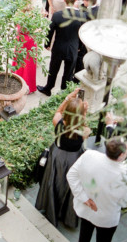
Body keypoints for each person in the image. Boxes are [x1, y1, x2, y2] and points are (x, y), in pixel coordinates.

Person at [67, 137, 127, 242]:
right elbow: (126, 202)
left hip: (87, 209)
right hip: (106, 215)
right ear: (121, 155)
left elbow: (71, 175)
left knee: (84, 233)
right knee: (104, 241)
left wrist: (84, 198)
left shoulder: (89, 155)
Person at [35, 90, 88, 228]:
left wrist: (68, 98)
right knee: (71, 186)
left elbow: (59, 111)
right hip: (74, 160)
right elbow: (84, 128)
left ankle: (51, 207)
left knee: (54, 181)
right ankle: (66, 214)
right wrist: (84, 113)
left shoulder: (57, 122)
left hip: (57, 158)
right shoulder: (84, 131)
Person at [37, 0, 85, 95]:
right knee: (68, 73)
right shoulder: (81, 16)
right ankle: (64, 92)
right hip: (73, 47)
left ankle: (48, 88)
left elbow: (50, 31)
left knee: (53, 69)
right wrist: (79, 47)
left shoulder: (57, 15)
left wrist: (47, 44)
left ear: (64, 0)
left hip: (58, 47)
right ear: (75, 0)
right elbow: (82, 33)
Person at [13, 0, 38, 93]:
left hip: (20, 38)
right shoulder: (32, 14)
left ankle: (17, 82)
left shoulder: (18, 13)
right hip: (30, 39)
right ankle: (28, 86)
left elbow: (16, 26)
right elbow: (34, 28)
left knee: (19, 60)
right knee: (29, 63)